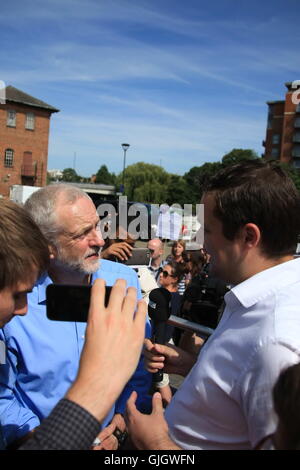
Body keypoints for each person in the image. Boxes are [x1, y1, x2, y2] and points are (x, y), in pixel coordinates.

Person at [125, 159, 300, 450]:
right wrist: (195, 367)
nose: (198, 241)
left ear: (248, 237)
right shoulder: (259, 299)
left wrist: (155, 445)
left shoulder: (275, 343)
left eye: (207, 230)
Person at [0, 184, 151, 450]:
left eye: (97, 226)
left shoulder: (124, 281)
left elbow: (139, 364)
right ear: (48, 246)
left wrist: (123, 418)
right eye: (83, 233)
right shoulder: (14, 302)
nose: (100, 240)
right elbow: (2, 396)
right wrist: (46, 440)